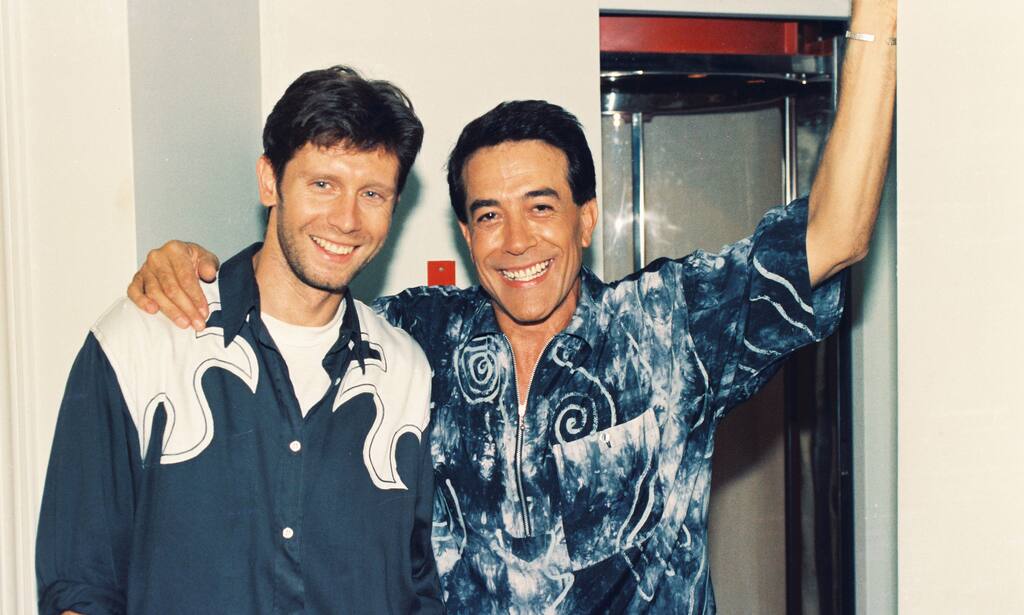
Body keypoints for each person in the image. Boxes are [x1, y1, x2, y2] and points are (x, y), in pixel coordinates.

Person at [127, 1, 895, 611]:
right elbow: (293, 308)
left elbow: (835, 234)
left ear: (586, 219)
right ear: (466, 234)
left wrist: (878, 19)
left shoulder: (669, 326)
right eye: (489, 214)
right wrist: (192, 270)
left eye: (541, 207)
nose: (517, 240)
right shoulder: (415, 337)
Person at [36, 66, 444, 615]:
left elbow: (415, 588)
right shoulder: (142, 339)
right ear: (269, 181)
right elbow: (80, 586)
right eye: (323, 184)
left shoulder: (405, 371)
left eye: (372, 193)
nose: (346, 220)